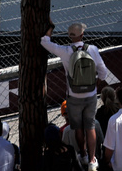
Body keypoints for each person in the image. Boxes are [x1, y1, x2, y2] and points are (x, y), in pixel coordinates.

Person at [41, 22, 106, 170]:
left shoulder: (65, 51)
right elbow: (104, 73)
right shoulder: (93, 50)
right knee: (90, 126)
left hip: (73, 95)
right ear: (82, 35)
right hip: (90, 94)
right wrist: (95, 82)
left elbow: (44, 42)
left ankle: (82, 154)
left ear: (70, 37)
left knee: (77, 127)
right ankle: (92, 160)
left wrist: (50, 28)